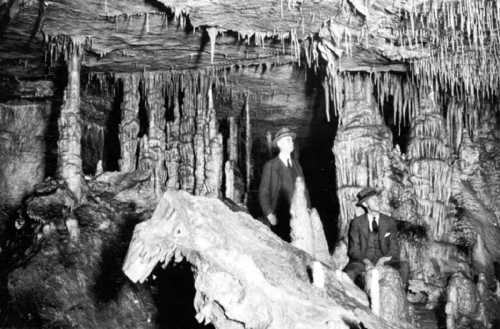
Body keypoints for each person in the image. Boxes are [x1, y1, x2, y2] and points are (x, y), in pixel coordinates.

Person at [344, 187, 409, 288]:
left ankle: (400, 298)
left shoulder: (389, 222)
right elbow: (353, 250)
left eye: (377, 199)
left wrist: (382, 260)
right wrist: (366, 261)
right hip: (363, 262)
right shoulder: (357, 223)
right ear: (365, 204)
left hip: (386, 261)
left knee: (404, 267)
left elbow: (394, 248)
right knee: (349, 273)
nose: (377, 201)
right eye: (373, 200)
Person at [258, 127, 309, 241]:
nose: (291, 143)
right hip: (279, 217)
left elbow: (304, 190)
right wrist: (269, 214)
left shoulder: (297, 165)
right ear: (280, 144)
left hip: (298, 216)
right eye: (288, 140)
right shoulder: (270, 166)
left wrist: (308, 209)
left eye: (291, 140)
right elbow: (263, 192)